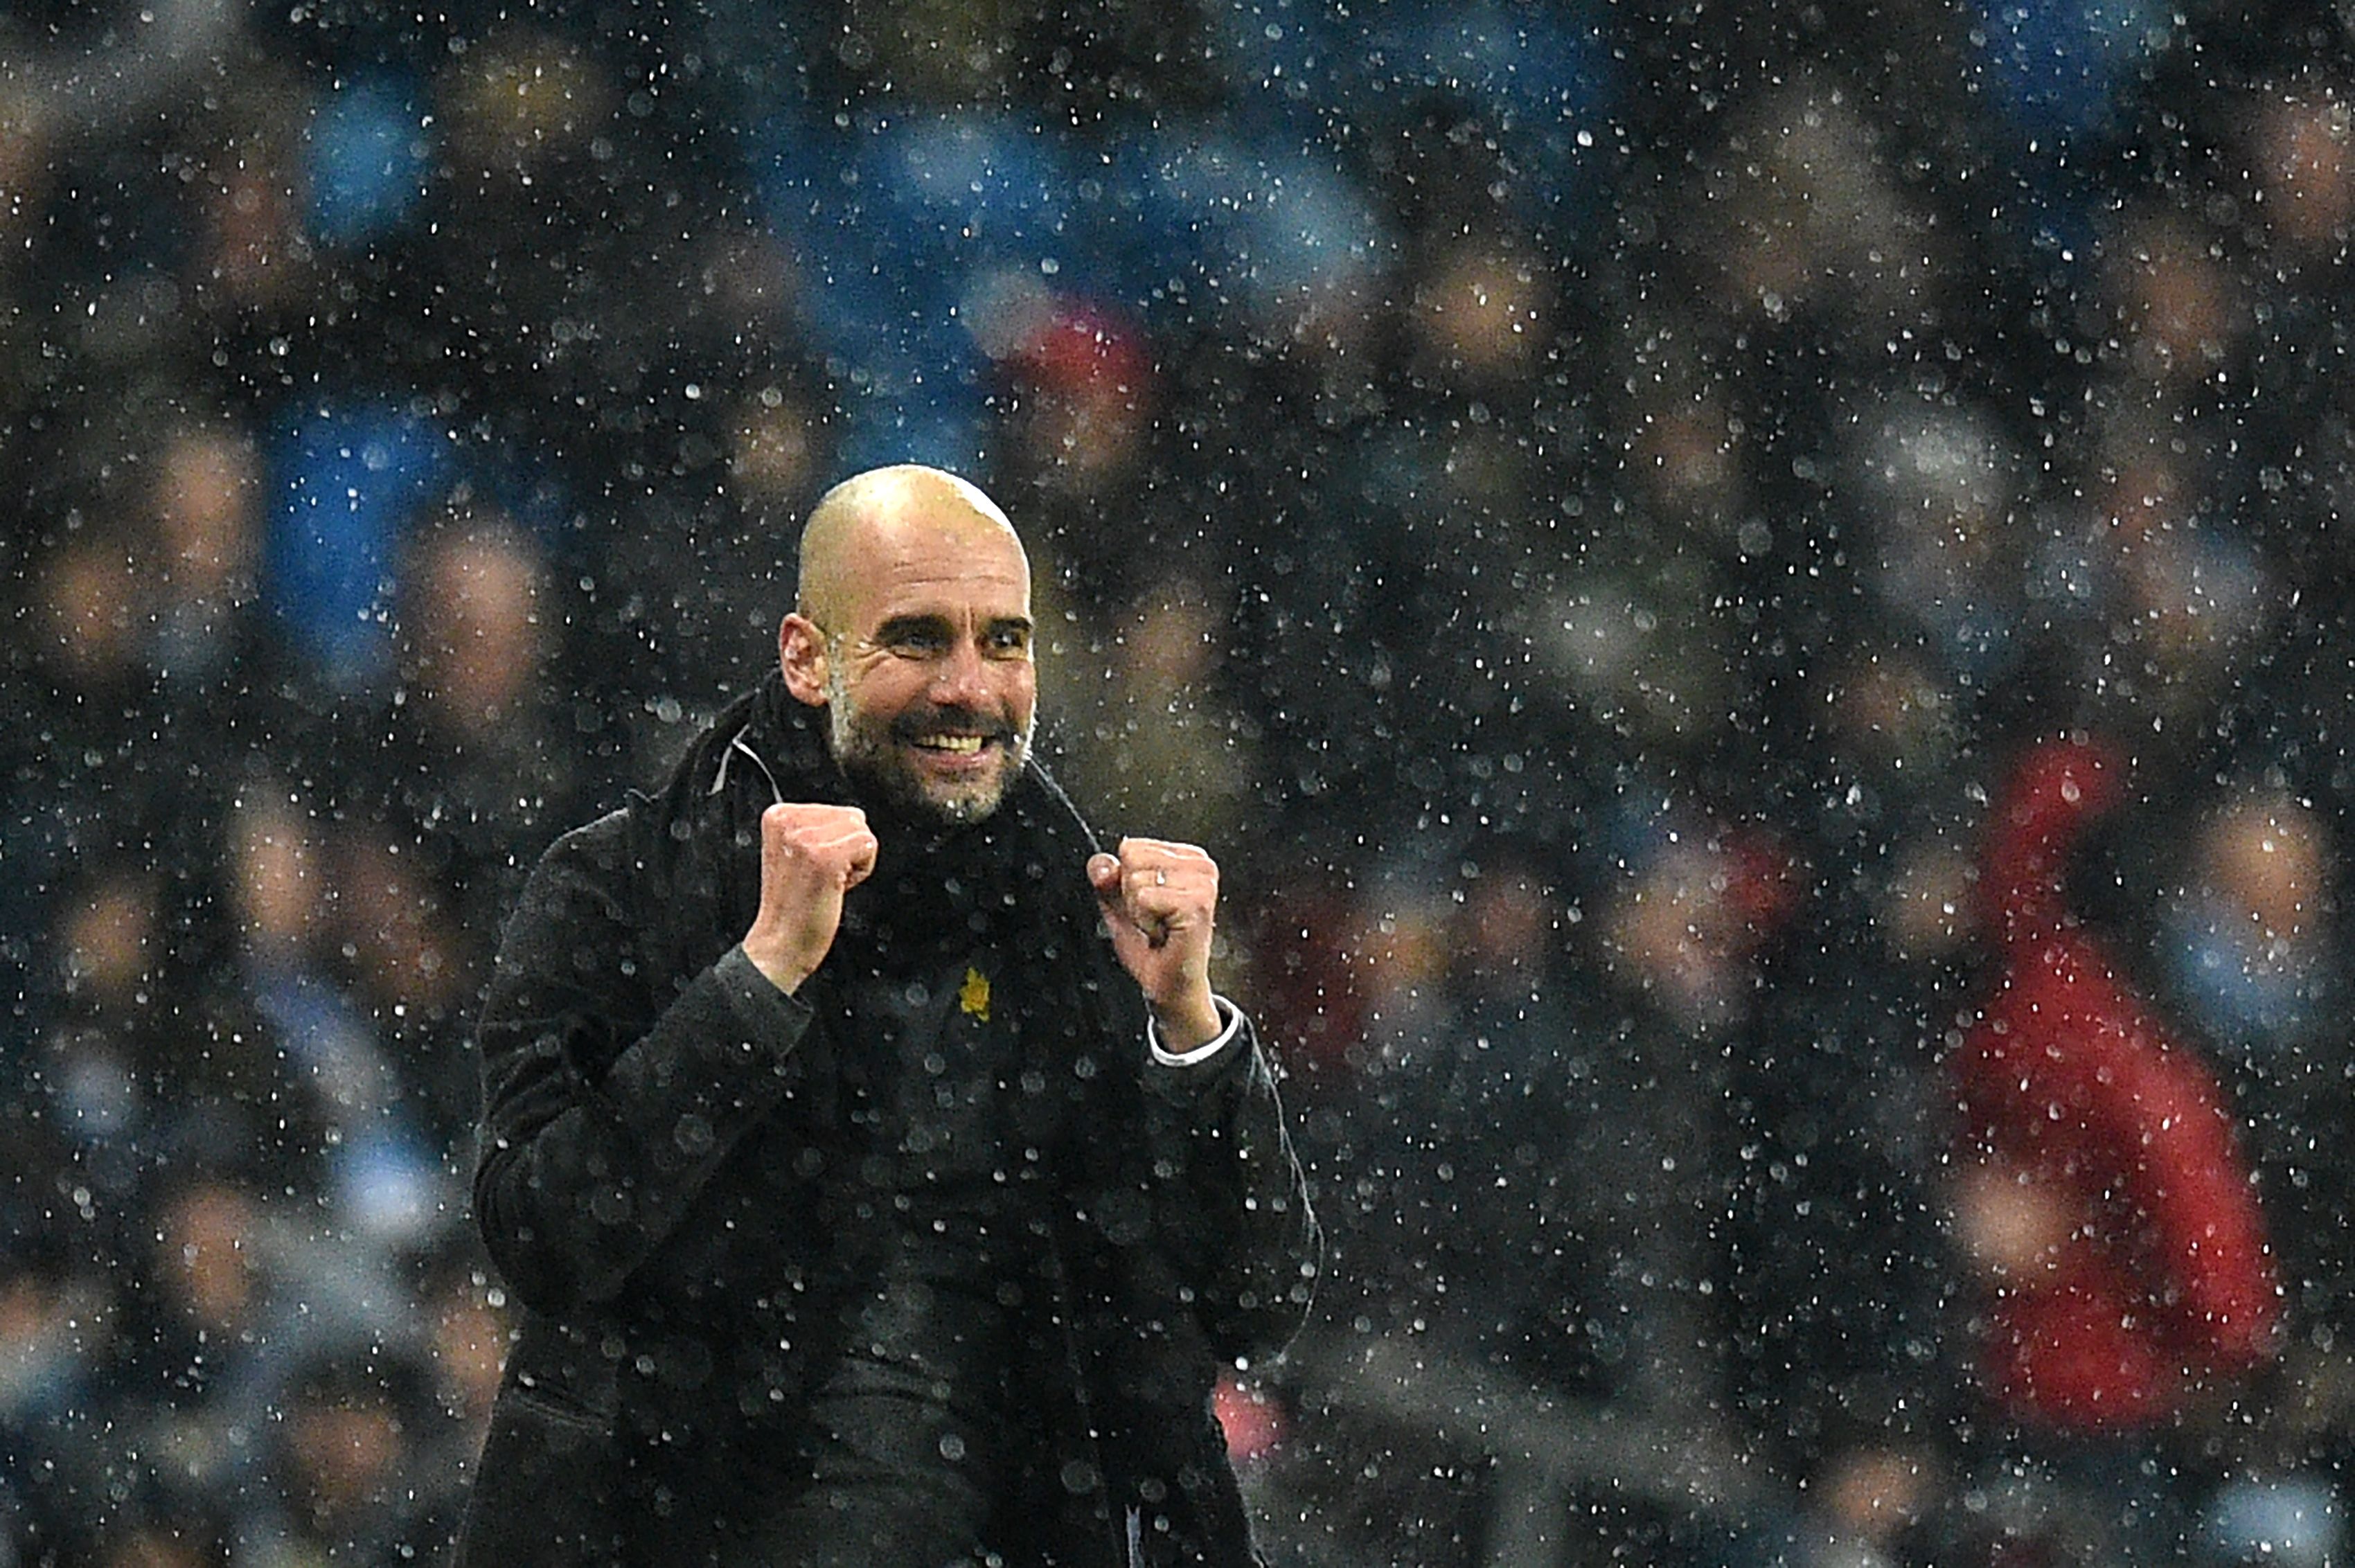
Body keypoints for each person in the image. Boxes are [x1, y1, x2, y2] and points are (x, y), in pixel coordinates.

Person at [452, 463, 1321, 1567]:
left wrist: (1194, 1030)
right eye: (918, 639)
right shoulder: (623, 888)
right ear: (808, 658)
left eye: (1005, 642)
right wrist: (757, 982)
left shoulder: (1089, 926)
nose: (970, 687)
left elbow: (1258, 1303)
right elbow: (543, 1239)